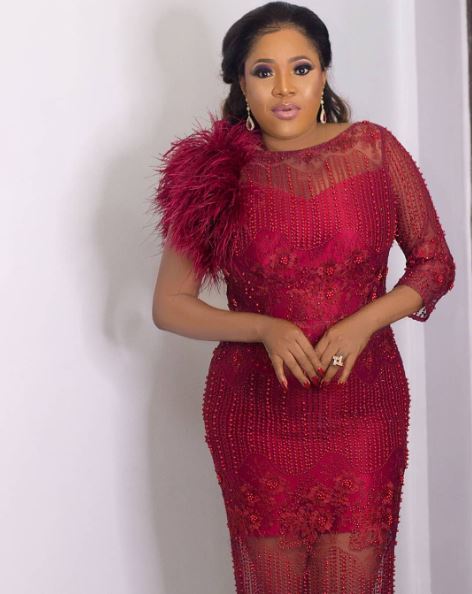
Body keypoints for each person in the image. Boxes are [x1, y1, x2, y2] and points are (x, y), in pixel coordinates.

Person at [150, 2, 456, 593]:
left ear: (323, 75)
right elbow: (170, 304)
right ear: (241, 83)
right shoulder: (213, 172)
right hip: (258, 412)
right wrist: (263, 327)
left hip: (364, 406)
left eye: (301, 68)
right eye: (264, 72)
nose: (284, 88)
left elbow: (434, 263)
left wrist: (363, 323)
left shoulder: (374, 150)